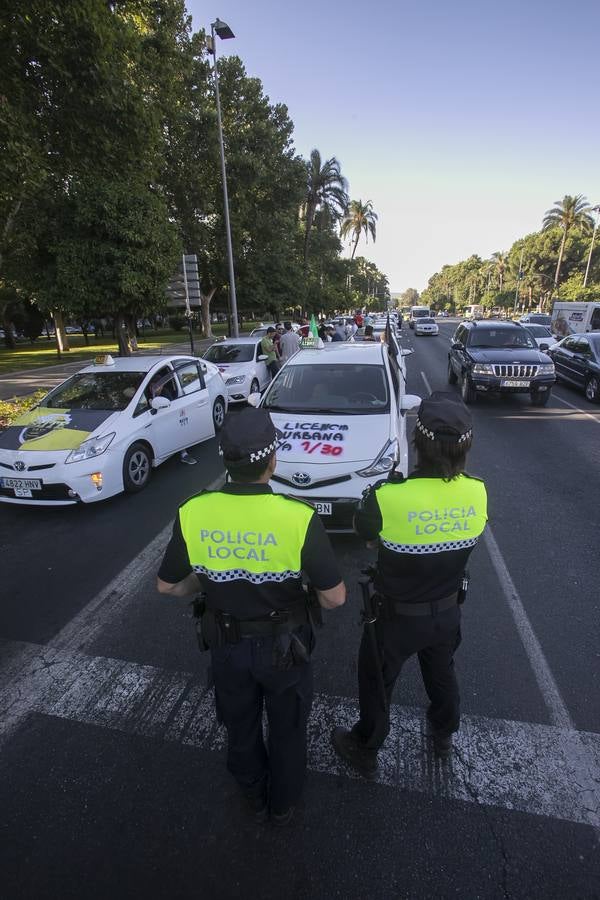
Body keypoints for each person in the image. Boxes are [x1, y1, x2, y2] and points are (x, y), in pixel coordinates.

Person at [157, 407, 346, 824]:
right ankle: (282, 804)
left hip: (227, 645)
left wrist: (207, 583)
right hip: (286, 649)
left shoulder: (193, 511)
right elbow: (334, 598)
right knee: (288, 728)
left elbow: (169, 585)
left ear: (226, 460)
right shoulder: (299, 517)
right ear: (272, 460)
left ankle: (253, 794)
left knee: (240, 726)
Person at [332, 392, 487, 775]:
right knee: (441, 673)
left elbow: (365, 536)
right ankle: (443, 734)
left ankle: (366, 746)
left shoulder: (389, 497)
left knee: (376, 680)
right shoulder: (478, 490)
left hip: (396, 618)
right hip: (448, 610)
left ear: (417, 443)